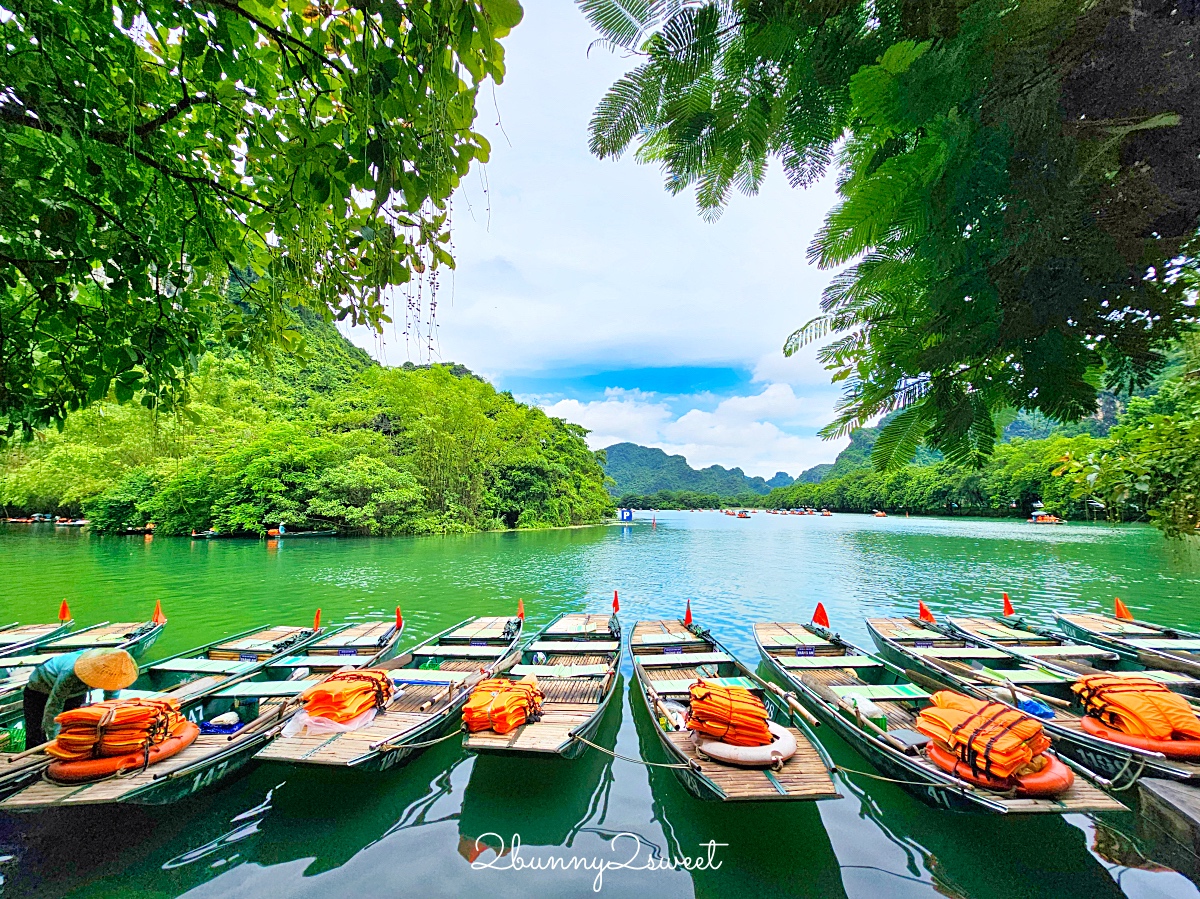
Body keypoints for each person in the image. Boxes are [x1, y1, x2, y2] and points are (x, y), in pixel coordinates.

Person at [22, 648, 139, 746]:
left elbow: (111, 702)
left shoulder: (112, 672)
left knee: (72, 728)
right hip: (39, 689)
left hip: (76, 692)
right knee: (36, 734)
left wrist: (111, 729)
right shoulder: (70, 672)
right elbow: (54, 705)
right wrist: (54, 740)